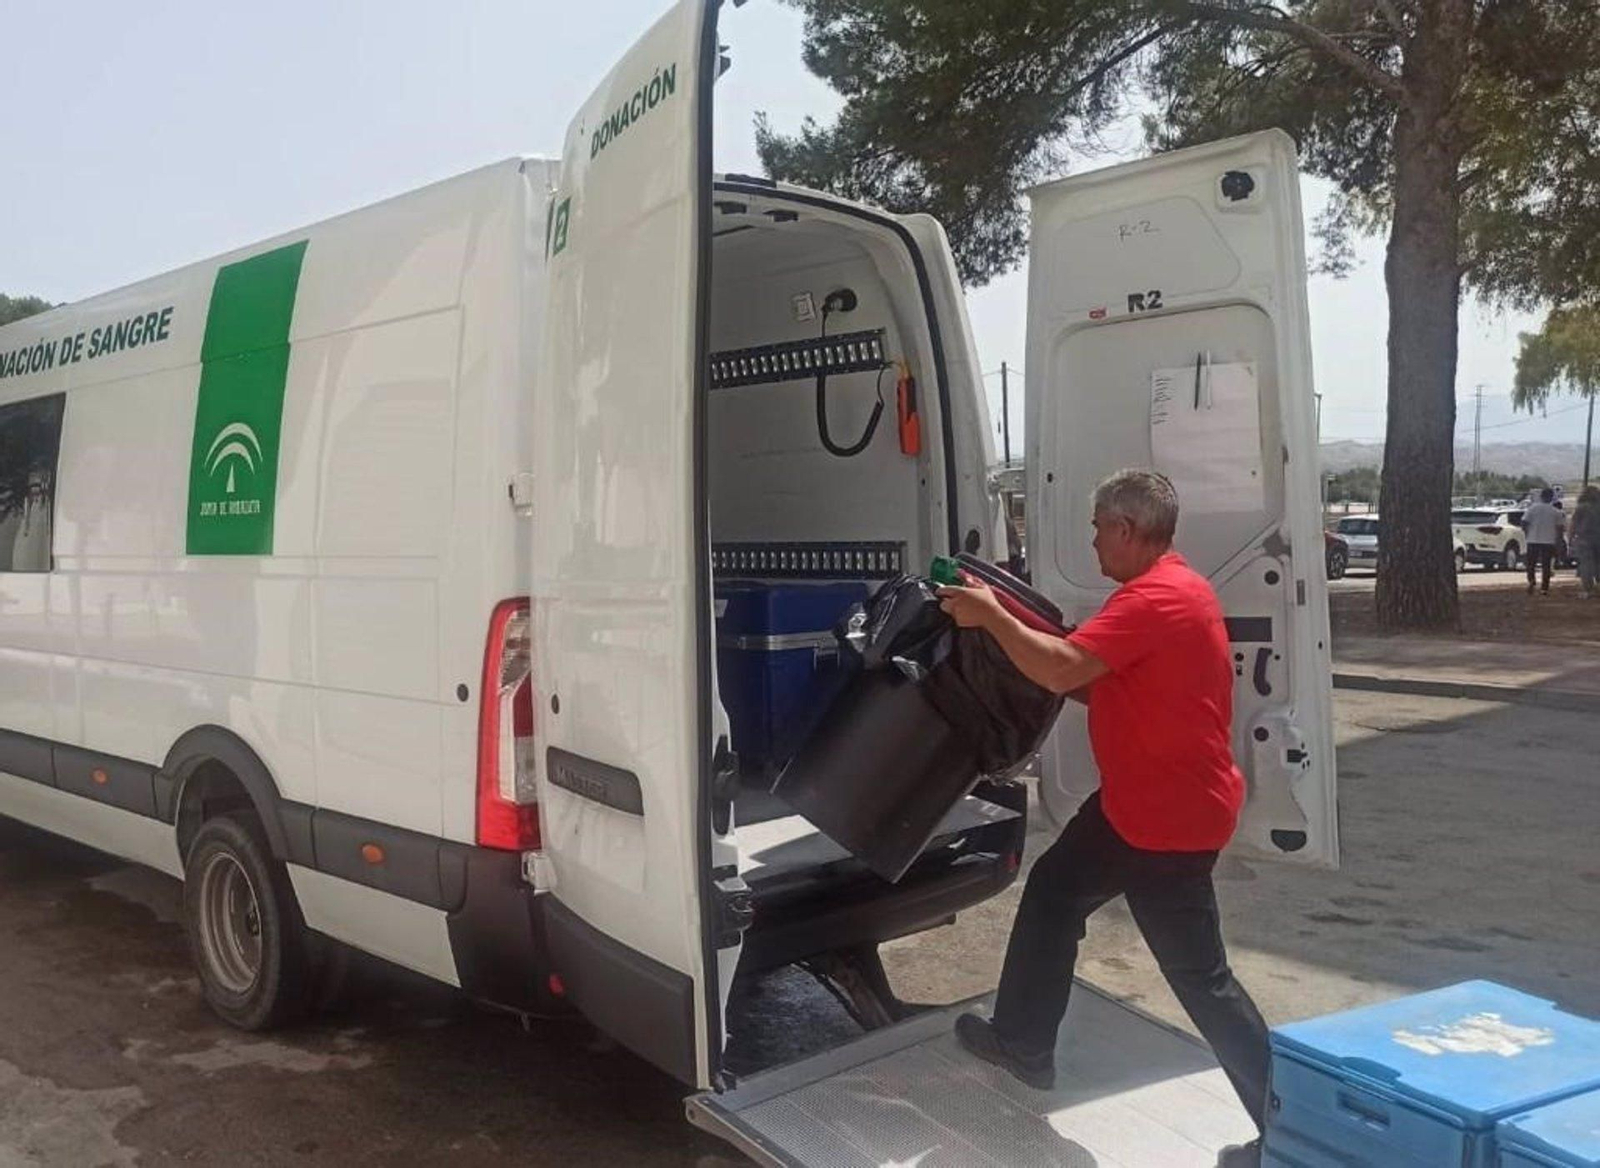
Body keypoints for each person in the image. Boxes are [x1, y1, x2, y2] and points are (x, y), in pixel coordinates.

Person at [938, 468, 1268, 1167]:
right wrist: (1015, 628)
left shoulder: (1154, 599)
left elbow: (1062, 672)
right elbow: (1096, 681)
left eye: (1096, 529)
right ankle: (1023, 1042)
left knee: (1201, 979)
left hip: (1163, 818)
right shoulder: (1176, 589)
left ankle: (1289, 1132)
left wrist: (993, 616)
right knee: (1056, 893)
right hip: (1148, 804)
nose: (1092, 542)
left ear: (1124, 529)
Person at [1520, 487, 1565, 595]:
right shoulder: (1555, 512)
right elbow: (1560, 528)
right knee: (1546, 565)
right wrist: (1558, 541)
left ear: (1541, 496)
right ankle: (1544, 588)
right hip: (1548, 541)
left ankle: (1531, 580)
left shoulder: (1532, 508)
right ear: (1551, 498)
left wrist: (1527, 533)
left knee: (1531, 563)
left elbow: (1524, 523)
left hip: (1533, 539)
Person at [1570, 485, 1600, 599]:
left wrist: (1571, 538)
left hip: (1584, 539)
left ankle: (1588, 589)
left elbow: (1573, 525)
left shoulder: (1580, 508)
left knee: (1586, 564)